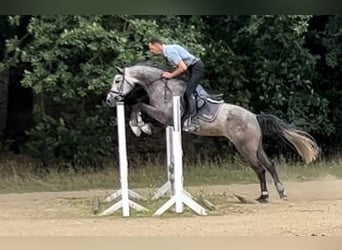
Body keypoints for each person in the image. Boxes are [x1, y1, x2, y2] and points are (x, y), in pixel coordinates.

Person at [148, 38, 204, 132]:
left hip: (196, 68)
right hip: (191, 68)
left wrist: (171, 75)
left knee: (188, 93)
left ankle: (193, 119)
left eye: (152, 48)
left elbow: (183, 67)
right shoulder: (167, 51)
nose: (151, 51)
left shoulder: (170, 52)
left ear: (157, 45)